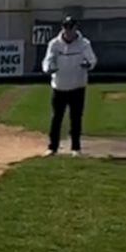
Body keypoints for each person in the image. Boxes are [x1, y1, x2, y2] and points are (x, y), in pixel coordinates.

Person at [42, 17, 97, 156]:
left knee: (76, 118)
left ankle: (75, 148)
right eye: (66, 27)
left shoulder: (84, 43)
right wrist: (48, 68)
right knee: (56, 118)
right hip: (59, 86)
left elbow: (92, 59)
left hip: (77, 85)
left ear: (75, 28)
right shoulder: (54, 44)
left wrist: (88, 64)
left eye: (71, 27)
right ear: (63, 28)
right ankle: (52, 147)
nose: (68, 31)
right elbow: (48, 60)